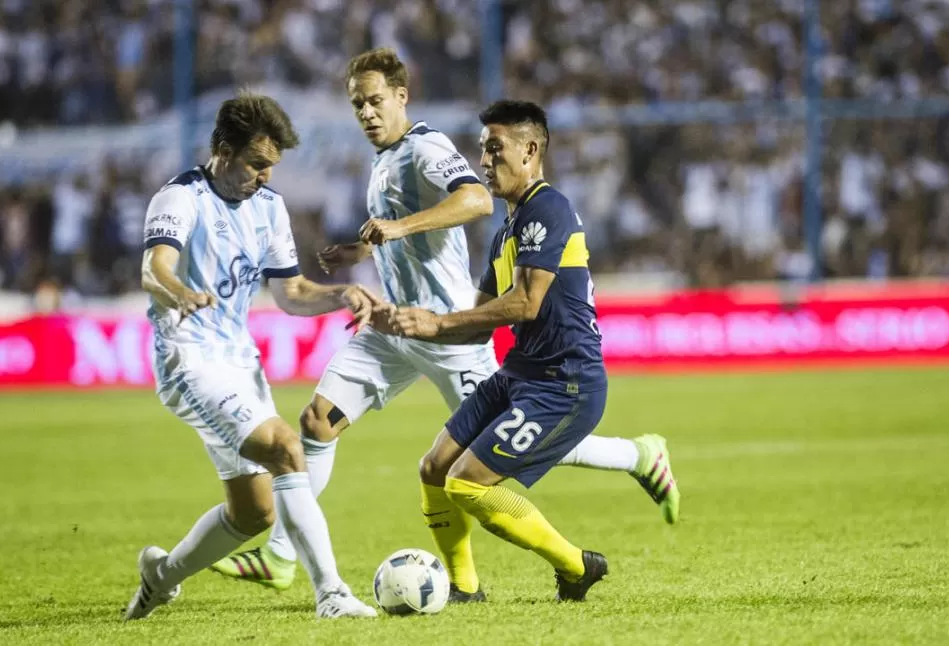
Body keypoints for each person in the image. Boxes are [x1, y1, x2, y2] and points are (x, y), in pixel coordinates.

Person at [212, 49, 676, 602]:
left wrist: (402, 238)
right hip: (408, 328)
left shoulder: (432, 152)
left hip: (457, 334)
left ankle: (635, 460)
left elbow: (473, 201)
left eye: (375, 100)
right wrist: (368, 254)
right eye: (357, 103)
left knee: (499, 458)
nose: (365, 112)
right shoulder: (453, 196)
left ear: (402, 97)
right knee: (326, 425)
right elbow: (439, 232)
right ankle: (289, 555)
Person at [389, 100, 681, 601]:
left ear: (529, 150)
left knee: (467, 484)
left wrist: (439, 320)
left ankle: (575, 566)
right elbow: (477, 327)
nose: (484, 160)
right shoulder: (507, 228)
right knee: (434, 469)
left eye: (494, 148)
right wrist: (414, 327)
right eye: (481, 149)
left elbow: (525, 303)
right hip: (519, 375)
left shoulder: (549, 207)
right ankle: (464, 587)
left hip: (565, 382)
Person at [124, 91, 379, 621]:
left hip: (238, 362)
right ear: (223, 149)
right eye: (256, 163)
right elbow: (154, 270)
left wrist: (342, 295)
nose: (264, 175)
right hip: (187, 356)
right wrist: (181, 293)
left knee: (255, 512)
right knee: (289, 447)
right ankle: (330, 593)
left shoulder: (269, 208)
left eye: (271, 166)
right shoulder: (181, 198)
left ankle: (161, 576)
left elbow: (290, 293)